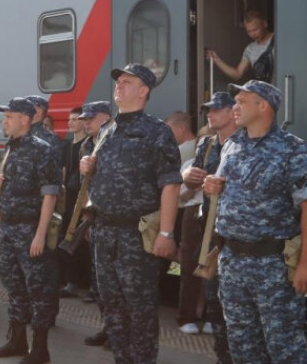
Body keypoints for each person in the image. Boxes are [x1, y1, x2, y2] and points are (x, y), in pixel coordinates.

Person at [80, 64, 182, 364]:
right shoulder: (107, 131)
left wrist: (166, 233)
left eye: (127, 82)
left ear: (144, 90)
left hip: (136, 235)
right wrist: (89, 166)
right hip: (104, 232)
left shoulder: (156, 131)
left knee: (140, 309)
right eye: (118, 82)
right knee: (111, 307)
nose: (119, 86)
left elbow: (171, 184)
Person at [203, 81, 307, 363]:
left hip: (272, 265)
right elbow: (227, 187)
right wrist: (212, 186)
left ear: (263, 106)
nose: (234, 107)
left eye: (242, 101)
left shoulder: (292, 149)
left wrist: (305, 264)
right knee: (243, 346)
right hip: (232, 263)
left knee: (285, 348)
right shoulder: (232, 145)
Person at [0, 97, 60, 363]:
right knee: (15, 287)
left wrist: (40, 234)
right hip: (8, 228)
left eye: (9, 116)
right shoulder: (11, 147)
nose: (4, 121)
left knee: (37, 289)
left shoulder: (41, 149)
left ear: (25, 120)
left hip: (30, 230)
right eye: (4, 116)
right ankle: (16, 340)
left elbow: (50, 194)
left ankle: (40, 349)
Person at [182, 92, 237, 364]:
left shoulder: (245, 144)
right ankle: (223, 357)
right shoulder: (205, 144)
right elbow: (192, 179)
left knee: (240, 308)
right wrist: (188, 176)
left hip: (238, 238)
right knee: (215, 304)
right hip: (211, 238)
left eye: (216, 110)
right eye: (207, 111)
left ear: (232, 112)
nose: (209, 115)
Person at [165, 110, 206, 335]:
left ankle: (191, 313)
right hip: (190, 213)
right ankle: (197, 312)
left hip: (186, 213)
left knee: (188, 264)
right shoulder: (191, 155)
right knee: (193, 264)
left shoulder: (182, 152)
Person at [77, 101, 112, 348]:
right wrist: (85, 221)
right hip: (95, 219)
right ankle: (109, 327)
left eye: (91, 118)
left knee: (118, 285)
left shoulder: (113, 140)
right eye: (84, 118)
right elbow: (86, 188)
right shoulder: (87, 145)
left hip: (116, 223)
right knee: (99, 282)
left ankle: (121, 332)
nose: (86, 122)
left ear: (107, 117)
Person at [59, 106, 87, 298]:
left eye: (75, 119)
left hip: (82, 200)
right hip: (68, 200)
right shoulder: (67, 145)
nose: (70, 122)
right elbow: (63, 172)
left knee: (81, 243)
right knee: (66, 238)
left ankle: (82, 282)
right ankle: (70, 281)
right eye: (70, 119)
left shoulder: (88, 145)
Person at [206, 11, 275, 83]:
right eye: (249, 31)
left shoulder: (280, 41)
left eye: (255, 29)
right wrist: (216, 60)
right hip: (263, 91)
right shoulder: (250, 49)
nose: (253, 34)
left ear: (265, 24)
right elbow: (237, 74)